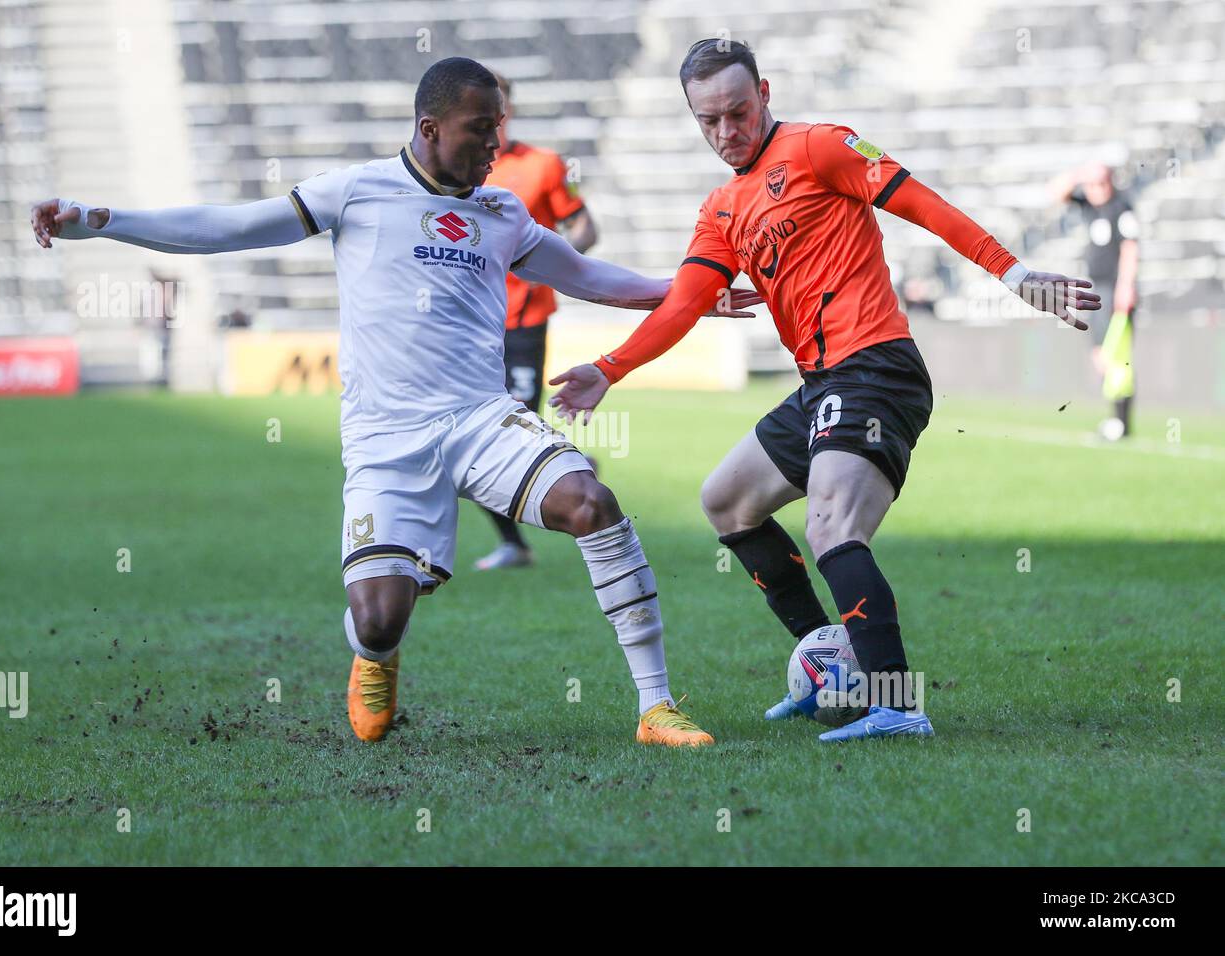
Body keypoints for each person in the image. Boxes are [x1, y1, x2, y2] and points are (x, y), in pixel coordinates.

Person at [31, 57, 761, 746]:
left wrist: (691, 296)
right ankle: (376, 657)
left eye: (500, 128)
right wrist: (104, 220)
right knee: (379, 619)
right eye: (481, 130)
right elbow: (229, 229)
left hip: (483, 418)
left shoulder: (502, 212)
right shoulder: (356, 191)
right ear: (430, 128)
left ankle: (654, 705)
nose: (495, 145)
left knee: (591, 503)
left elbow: (589, 277)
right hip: (386, 435)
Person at [549, 39, 1101, 742]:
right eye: (708, 121)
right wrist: (609, 367)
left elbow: (923, 204)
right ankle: (830, 665)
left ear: (766, 94)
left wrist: (1015, 274)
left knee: (832, 524)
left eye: (738, 112)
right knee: (726, 501)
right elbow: (684, 303)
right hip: (824, 383)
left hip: (876, 367)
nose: (727, 132)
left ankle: (898, 705)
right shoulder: (721, 209)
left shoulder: (823, 147)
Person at [474, 71, 599, 571]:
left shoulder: (545, 167)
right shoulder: (456, 171)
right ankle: (514, 541)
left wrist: (557, 265)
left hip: (524, 321)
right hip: (470, 324)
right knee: (474, 428)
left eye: (498, 112)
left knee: (515, 424)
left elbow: (585, 224)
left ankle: (571, 477)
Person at [1050, 162, 1140, 439]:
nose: (1095, 189)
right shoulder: (1089, 205)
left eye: (1100, 183)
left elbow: (1130, 247)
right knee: (1100, 355)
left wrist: (1126, 286)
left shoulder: (1121, 207)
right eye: (1091, 184)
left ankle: (1120, 423)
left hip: (1115, 289)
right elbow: (1055, 193)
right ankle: (1117, 421)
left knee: (1115, 356)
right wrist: (1078, 174)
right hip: (1096, 289)